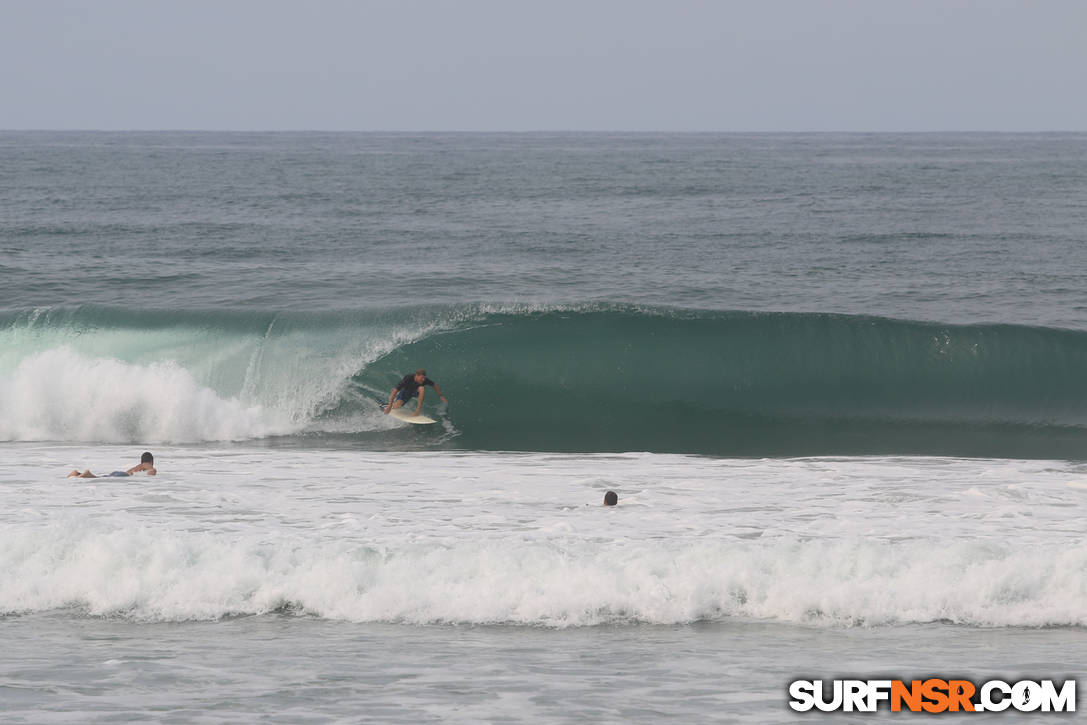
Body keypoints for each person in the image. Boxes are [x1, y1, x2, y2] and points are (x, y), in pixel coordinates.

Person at [383, 368, 448, 417]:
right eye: (422, 378)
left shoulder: (424, 380)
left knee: (422, 388)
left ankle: (418, 410)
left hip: (415, 392)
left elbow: (434, 384)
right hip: (405, 392)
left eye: (424, 378)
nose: (423, 380)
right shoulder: (408, 378)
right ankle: (387, 406)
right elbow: (394, 391)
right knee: (396, 407)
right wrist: (390, 405)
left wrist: (441, 396)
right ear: (416, 375)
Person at [68, 451, 157, 478]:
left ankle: (77, 474)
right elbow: (152, 472)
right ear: (151, 461)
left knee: (102, 478)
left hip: (120, 473)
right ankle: (87, 474)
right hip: (123, 475)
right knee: (98, 478)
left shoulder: (137, 467)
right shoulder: (146, 465)